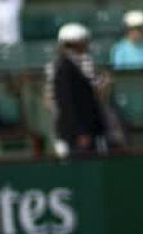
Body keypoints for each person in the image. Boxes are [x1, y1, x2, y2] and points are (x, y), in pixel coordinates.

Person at [50, 24, 107, 157]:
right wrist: (80, 132)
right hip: (78, 135)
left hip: (87, 131)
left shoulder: (74, 64)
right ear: (77, 43)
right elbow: (67, 103)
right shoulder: (64, 68)